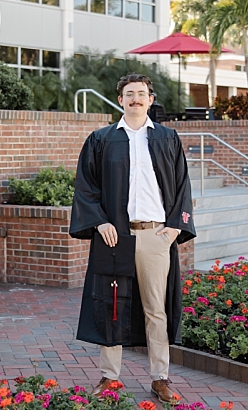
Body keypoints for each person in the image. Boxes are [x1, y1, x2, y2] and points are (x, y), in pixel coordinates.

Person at [69, 73, 195, 405]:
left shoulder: (167, 138)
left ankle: (160, 378)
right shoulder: (101, 139)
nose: (136, 99)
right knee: (112, 307)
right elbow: (86, 187)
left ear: (151, 100)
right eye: (129, 94)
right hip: (116, 237)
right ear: (120, 99)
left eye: (141, 93)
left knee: (156, 309)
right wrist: (98, 222)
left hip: (156, 235)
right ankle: (110, 379)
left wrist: (174, 228)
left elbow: (182, 186)